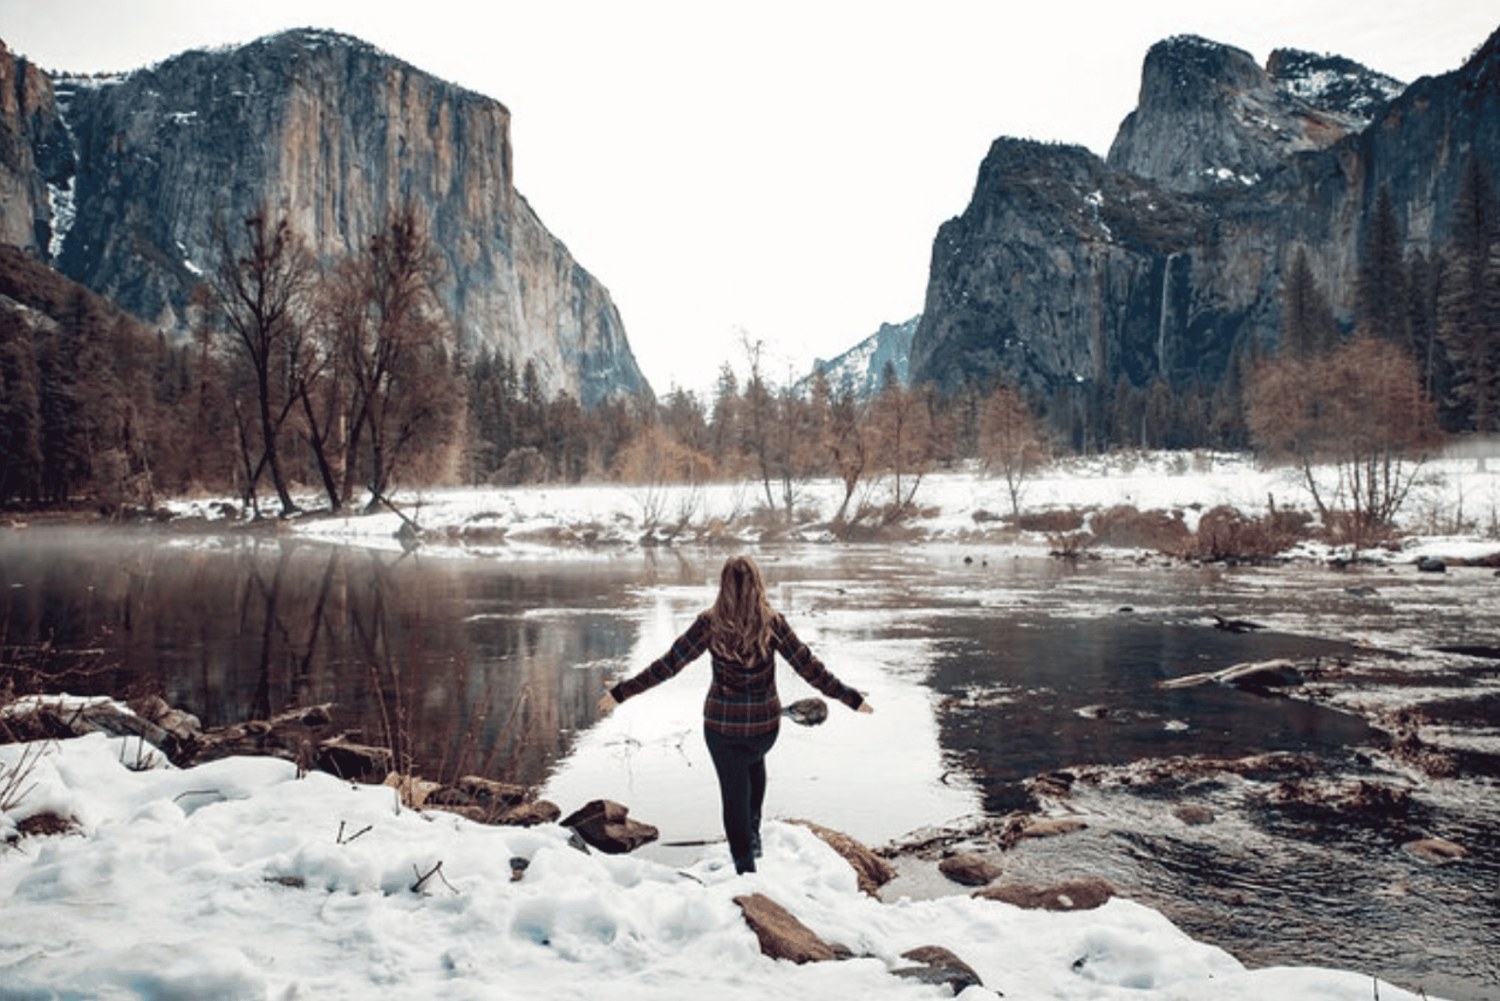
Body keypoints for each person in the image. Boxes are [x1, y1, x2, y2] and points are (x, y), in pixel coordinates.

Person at [598, 555, 873, 874]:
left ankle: (745, 869)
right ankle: (753, 842)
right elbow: (809, 667)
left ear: (723, 586)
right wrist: (850, 698)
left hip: (722, 727)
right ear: (758, 585)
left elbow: (668, 665)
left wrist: (621, 693)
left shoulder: (709, 624)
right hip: (763, 727)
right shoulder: (773, 623)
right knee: (754, 770)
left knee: (733, 797)